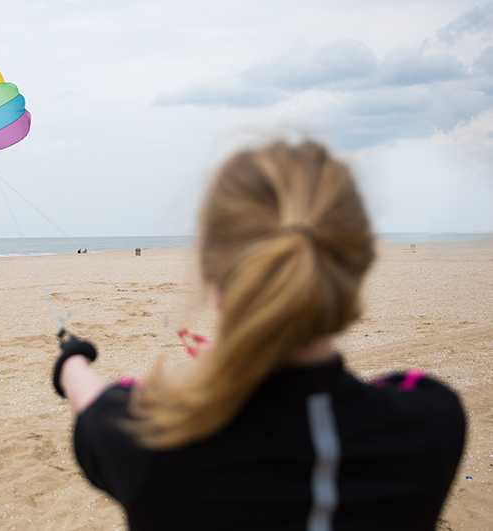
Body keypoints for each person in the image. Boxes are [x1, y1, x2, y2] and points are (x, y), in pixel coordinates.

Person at [52, 140, 466, 530]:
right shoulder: (432, 423)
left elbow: (90, 397)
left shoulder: (144, 442)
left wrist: (73, 357)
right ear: (356, 268)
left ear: (213, 277)